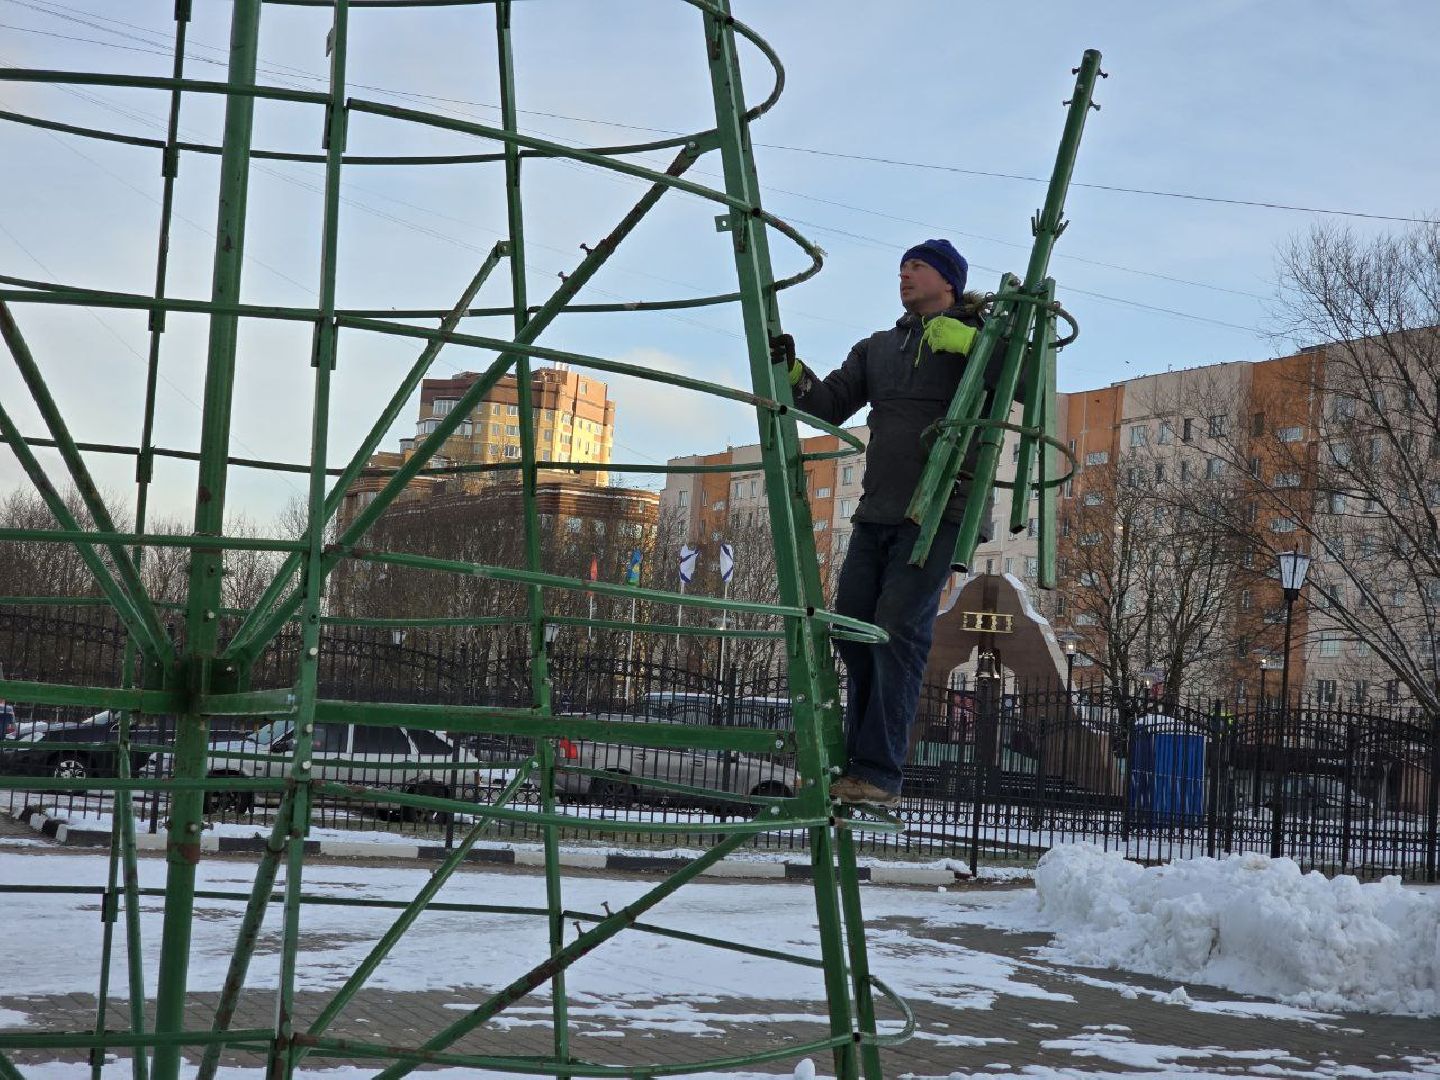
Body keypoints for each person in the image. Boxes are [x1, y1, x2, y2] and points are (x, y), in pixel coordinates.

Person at [770, 239, 1004, 808]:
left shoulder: (987, 339)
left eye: (916, 266)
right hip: (879, 511)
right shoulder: (879, 348)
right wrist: (794, 372)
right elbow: (826, 405)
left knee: (898, 628)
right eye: (900, 266)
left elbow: (1024, 385)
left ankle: (880, 773)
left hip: (941, 509)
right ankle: (858, 761)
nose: (904, 274)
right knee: (851, 625)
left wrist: (978, 346)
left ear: (948, 280)